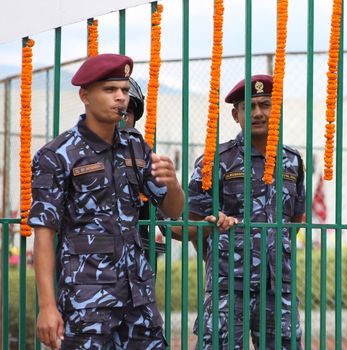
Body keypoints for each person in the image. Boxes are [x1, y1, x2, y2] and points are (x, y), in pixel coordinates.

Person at [29, 53, 185, 349]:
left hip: (138, 299)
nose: (120, 98)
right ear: (85, 96)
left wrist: (174, 185)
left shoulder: (135, 146)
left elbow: (173, 210)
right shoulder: (57, 154)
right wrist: (47, 306)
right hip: (87, 301)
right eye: (110, 90)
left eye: (124, 91)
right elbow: (44, 234)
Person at [186, 74, 306, 349]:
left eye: (266, 104)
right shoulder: (216, 160)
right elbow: (189, 225)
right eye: (249, 107)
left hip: (279, 285)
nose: (258, 113)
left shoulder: (292, 160)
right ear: (235, 114)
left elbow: (296, 221)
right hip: (229, 284)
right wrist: (215, 231)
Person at [124, 77, 166, 267]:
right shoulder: (71, 154)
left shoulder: (144, 160)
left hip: (136, 271)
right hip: (86, 274)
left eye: (129, 111)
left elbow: (172, 218)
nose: (122, 116)